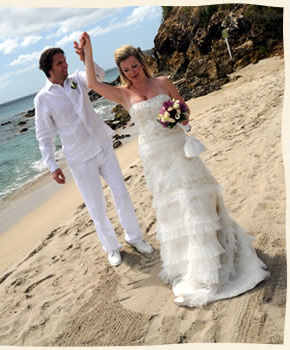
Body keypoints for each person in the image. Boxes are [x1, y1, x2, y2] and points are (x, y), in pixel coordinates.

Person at [75, 32, 270, 308]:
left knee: (198, 200)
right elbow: (93, 83)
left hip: (179, 149)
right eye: (126, 69)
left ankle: (215, 259)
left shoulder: (163, 82)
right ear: (122, 72)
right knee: (175, 208)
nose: (132, 72)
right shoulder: (122, 94)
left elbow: (185, 109)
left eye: (135, 66)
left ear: (142, 63)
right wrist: (88, 51)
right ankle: (193, 263)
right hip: (155, 159)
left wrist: (178, 115)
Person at [34, 47, 154, 267]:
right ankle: (112, 248)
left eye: (65, 60)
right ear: (48, 69)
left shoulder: (77, 78)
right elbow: (44, 136)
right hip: (80, 158)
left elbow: (98, 77)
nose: (65, 65)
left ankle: (135, 238)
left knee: (122, 193)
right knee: (96, 207)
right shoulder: (43, 99)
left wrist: (87, 58)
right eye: (60, 63)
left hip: (103, 145)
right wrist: (51, 165)